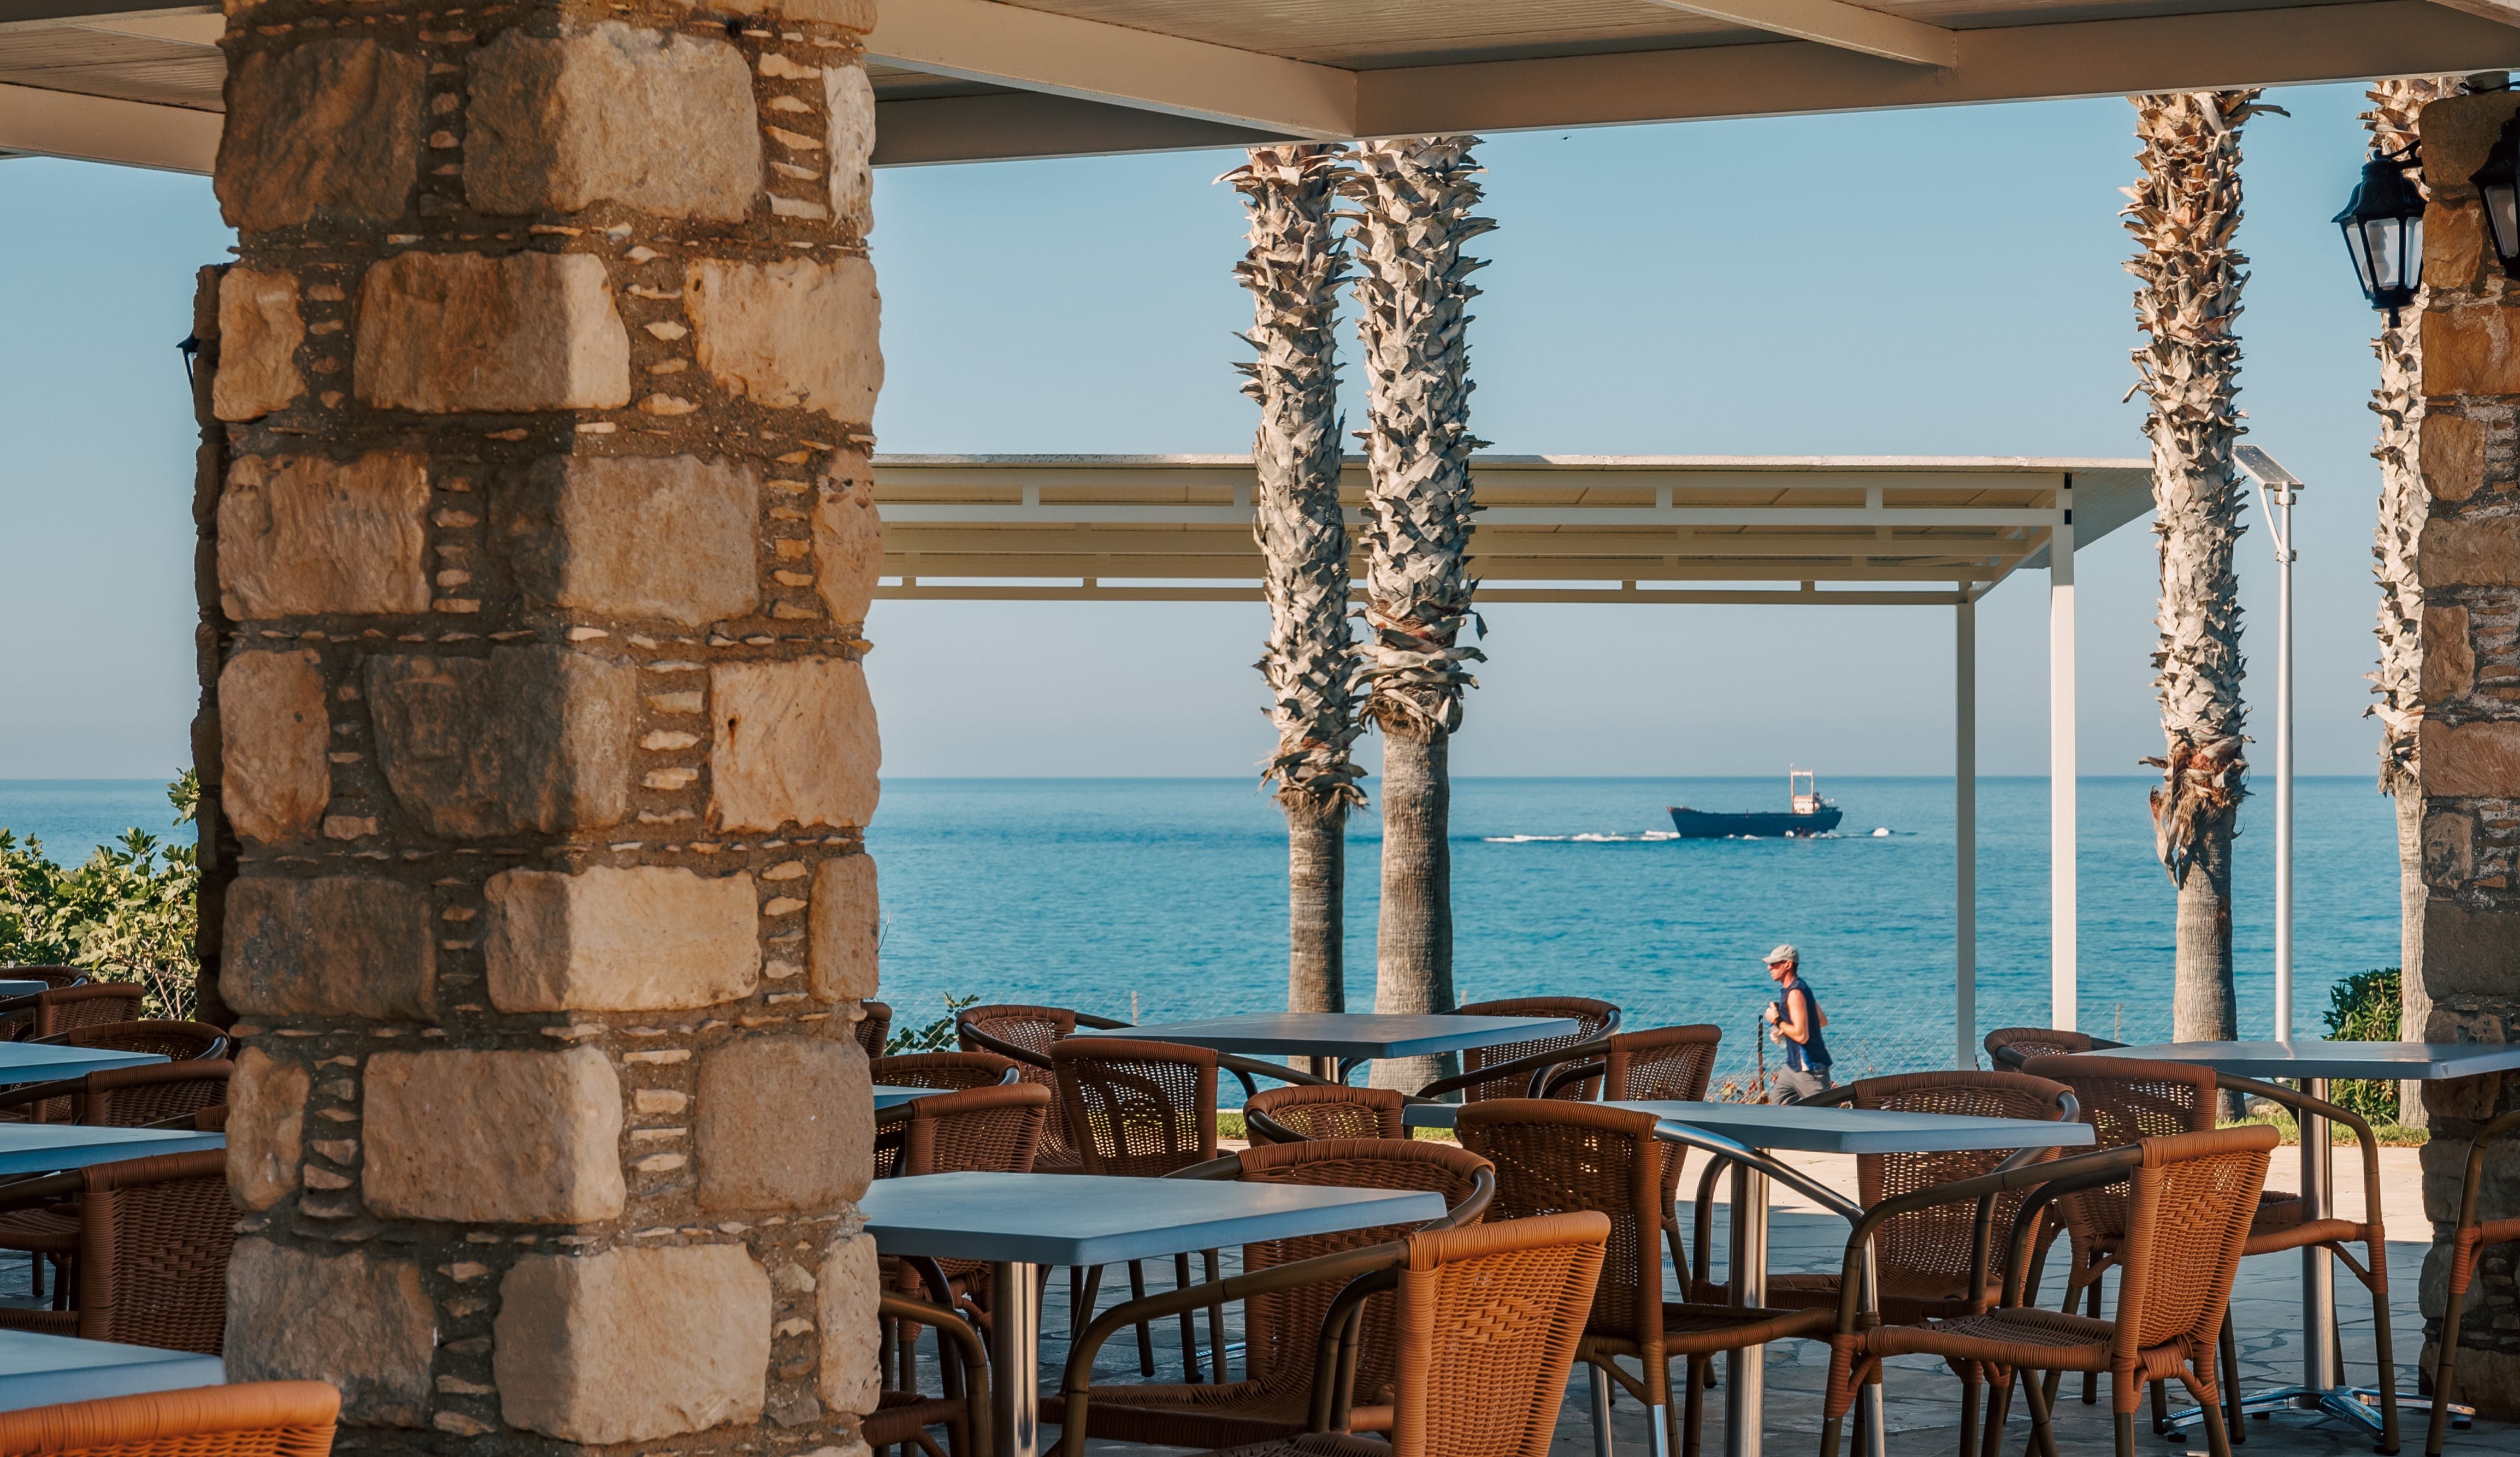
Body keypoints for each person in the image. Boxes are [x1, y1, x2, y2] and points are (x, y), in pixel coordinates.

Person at [1761, 943, 1833, 1104]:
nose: (1769, 968)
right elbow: (1821, 1020)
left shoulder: (1795, 993)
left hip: (1809, 1070)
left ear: (1788, 964)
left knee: (1828, 1114)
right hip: (1793, 1066)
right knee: (1777, 1107)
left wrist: (1777, 1020)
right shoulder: (1800, 987)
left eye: (1774, 964)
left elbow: (1802, 1036)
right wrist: (1784, 1031)